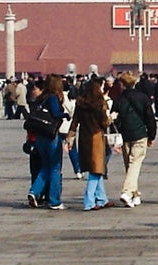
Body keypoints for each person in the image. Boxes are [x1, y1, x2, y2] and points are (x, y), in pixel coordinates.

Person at [112, 71, 156, 208]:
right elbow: (150, 118)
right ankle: (126, 192)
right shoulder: (142, 98)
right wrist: (152, 135)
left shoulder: (118, 99)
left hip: (125, 135)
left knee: (130, 165)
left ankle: (134, 194)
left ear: (122, 84)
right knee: (134, 164)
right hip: (140, 134)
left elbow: (113, 119)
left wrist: (114, 138)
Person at [26, 74, 68, 209]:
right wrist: (65, 115)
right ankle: (54, 200)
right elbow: (56, 113)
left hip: (40, 136)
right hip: (51, 135)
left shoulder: (41, 98)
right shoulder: (53, 97)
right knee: (55, 167)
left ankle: (34, 191)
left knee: (45, 166)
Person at [72, 78, 113, 211]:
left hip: (84, 136)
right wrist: (112, 118)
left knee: (96, 168)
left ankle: (102, 198)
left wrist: (70, 135)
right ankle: (89, 201)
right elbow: (104, 123)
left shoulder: (81, 103)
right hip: (96, 137)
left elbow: (75, 121)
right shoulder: (99, 103)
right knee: (96, 169)